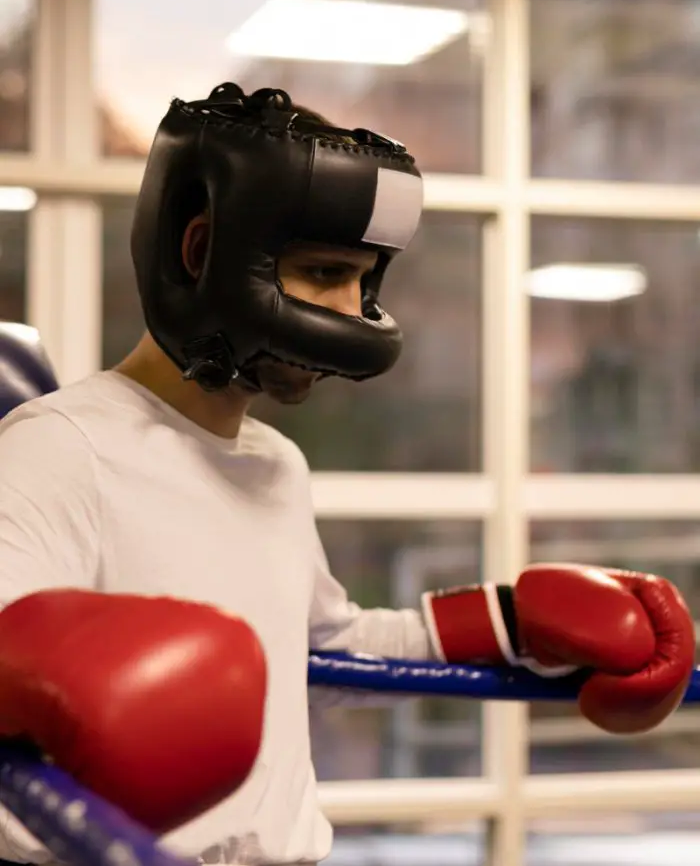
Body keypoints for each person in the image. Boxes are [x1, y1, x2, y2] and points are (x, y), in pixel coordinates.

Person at [0, 82, 693, 866]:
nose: (349, 308)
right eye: (325, 272)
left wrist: (508, 623)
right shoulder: (59, 449)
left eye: (364, 280)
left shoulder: (275, 464)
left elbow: (323, 650)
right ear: (202, 254)